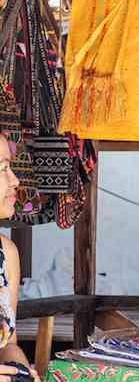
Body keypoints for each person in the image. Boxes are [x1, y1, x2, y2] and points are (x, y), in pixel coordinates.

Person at [0, 134, 39, 382]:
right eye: (3, 168)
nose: (15, 180)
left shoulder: (6, 254)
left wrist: (20, 370)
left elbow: (7, 343)